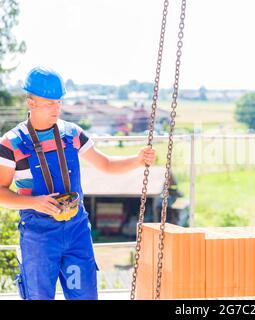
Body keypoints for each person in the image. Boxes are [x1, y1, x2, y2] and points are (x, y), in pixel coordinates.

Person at [0, 67, 156, 300]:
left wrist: (137, 160)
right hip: (38, 237)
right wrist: (35, 203)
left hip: (76, 232)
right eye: (49, 103)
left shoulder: (71, 134)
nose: (57, 108)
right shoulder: (11, 143)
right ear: (30, 102)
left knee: (84, 296)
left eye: (59, 102)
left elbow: (106, 165)